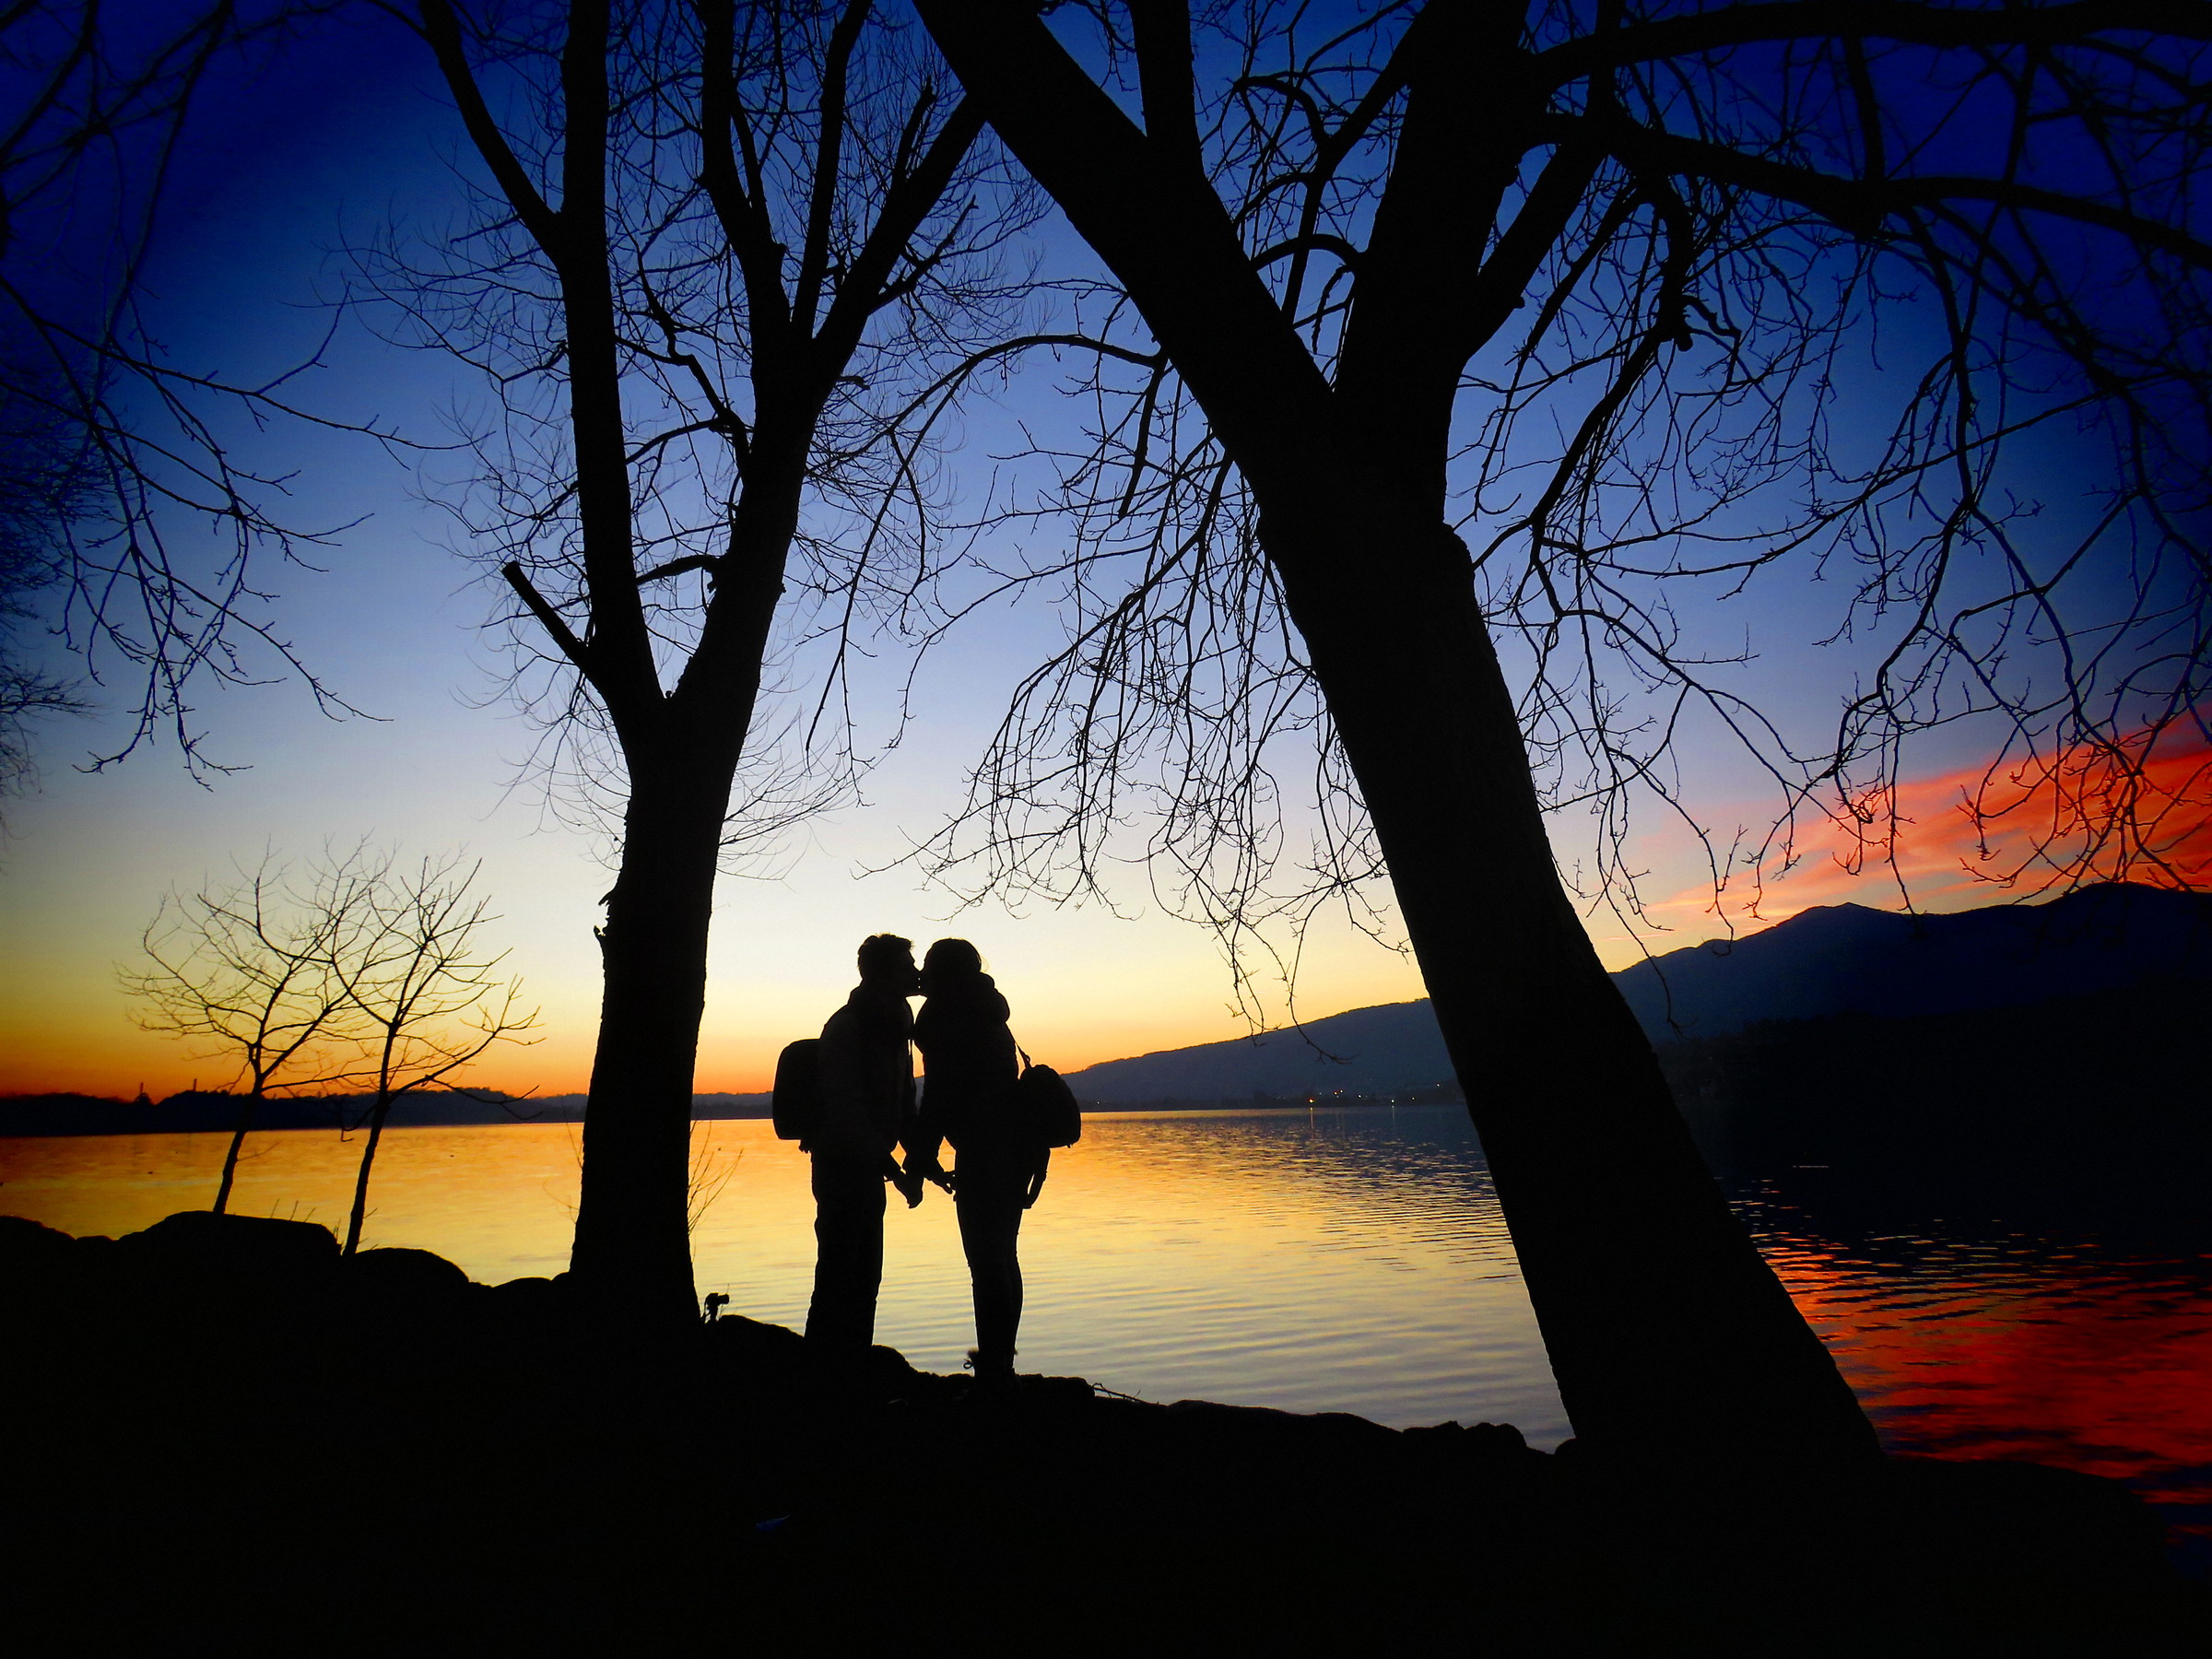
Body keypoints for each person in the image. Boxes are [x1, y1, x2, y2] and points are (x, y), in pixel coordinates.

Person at [907, 937, 1048, 1391]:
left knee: (986, 1262)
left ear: (942, 973)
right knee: (1003, 1256)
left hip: (984, 1150)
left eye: (928, 967)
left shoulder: (947, 1015)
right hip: (1014, 1146)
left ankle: (994, 1373)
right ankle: (1000, 1362)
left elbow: (941, 1093)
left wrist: (920, 1157)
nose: (922, 974)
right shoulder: (987, 1008)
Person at [805, 932, 925, 1357]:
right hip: (841, 1166)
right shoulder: (849, 1026)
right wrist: (895, 1170)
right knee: (839, 1273)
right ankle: (822, 1369)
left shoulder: (894, 1025)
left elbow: (903, 1105)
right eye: (907, 966)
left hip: (871, 1167)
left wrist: (919, 1165)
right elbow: (846, 1111)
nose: (916, 973)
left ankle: (851, 1368)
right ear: (884, 973)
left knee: (866, 1276)